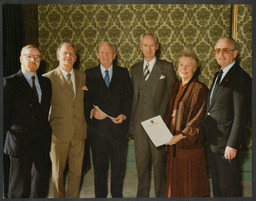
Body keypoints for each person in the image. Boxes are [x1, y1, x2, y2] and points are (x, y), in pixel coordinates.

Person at [130, 33, 177, 197]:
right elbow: (132, 98)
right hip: (138, 124)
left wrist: (169, 122)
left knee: (159, 166)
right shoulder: (134, 69)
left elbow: (174, 95)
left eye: (152, 45)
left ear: (157, 46)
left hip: (158, 124)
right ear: (140, 47)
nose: (148, 49)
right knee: (141, 166)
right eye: (145, 45)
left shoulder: (167, 67)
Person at [84, 42, 133, 198]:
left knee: (118, 168)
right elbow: (84, 100)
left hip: (118, 131)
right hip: (97, 131)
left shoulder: (123, 73)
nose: (105, 56)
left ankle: (117, 196)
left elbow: (129, 98)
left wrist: (124, 115)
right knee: (99, 169)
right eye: (102, 53)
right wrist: (92, 111)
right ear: (97, 55)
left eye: (109, 53)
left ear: (114, 55)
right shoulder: (88, 74)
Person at [3, 45, 52, 198]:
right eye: (29, 56)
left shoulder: (46, 83)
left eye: (37, 57)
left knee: (40, 186)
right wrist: (16, 134)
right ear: (21, 58)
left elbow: (43, 113)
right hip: (20, 143)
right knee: (19, 188)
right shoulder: (9, 82)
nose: (33, 60)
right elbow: (3, 117)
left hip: (42, 143)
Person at [205, 37, 251, 197]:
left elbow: (241, 116)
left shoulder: (241, 78)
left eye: (226, 50)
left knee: (230, 191)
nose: (221, 54)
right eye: (218, 50)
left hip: (227, 147)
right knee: (218, 190)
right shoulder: (218, 75)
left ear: (235, 53)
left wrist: (232, 145)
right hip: (212, 143)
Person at [163, 49, 209, 197]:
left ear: (195, 69)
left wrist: (181, 136)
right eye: (181, 65)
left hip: (188, 146)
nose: (183, 68)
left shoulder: (200, 89)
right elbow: (167, 112)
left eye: (188, 66)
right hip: (172, 144)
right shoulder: (175, 86)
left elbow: (199, 119)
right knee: (174, 185)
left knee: (190, 187)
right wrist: (162, 133)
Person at [44, 42, 87, 198]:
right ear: (58, 56)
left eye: (71, 54)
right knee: (57, 174)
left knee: (76, 172)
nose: (68, 56)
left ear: (75, 58)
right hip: (58, 133)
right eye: (65, 53)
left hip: (79, 133)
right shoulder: (47, 78)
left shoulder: (82, 76)